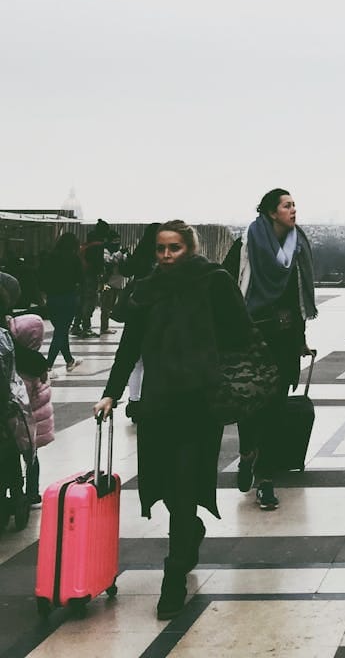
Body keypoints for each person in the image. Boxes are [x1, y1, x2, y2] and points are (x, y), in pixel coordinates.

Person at [94, 220, 252, 620]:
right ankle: (190, 534)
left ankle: (174, 574)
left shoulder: (213, 282)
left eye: (175, 248)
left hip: (199, 404)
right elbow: (129, 346)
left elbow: (240, 335)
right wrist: (111, 392)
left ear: (191, 248)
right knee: (165, 483)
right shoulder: (148, 289)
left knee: (183, 487)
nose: (166, 256)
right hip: (159, 403)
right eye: (161, 249)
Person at [235, 189, 317, 511]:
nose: (294, 209)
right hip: (252, 336)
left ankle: (265, 478)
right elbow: (233, 287)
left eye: (294, 204)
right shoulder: (247, 242)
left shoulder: (298, 246)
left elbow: (297, 299)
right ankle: (246, 454)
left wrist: (300, 338)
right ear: (272, 212)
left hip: (283, 338)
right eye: (287, 205)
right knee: (249, 405)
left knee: (274, 408)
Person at [7, 310, 53, 504]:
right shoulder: (37, 364)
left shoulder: (22, 369)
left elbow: (20, 398)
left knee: (18, 456)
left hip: (23, 423)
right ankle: (33, 491)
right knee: (32, 458)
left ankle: (24, 492)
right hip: (36, 422)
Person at [118, 223, 162, 421]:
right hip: (156, 312)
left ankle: (134, 401)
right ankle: (150, 400)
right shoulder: (161, 258)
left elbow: (126, 270)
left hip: (136, 311)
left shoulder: (141, 254)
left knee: (135, 361)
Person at [39, 232, 83, 373]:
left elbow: (41, 278)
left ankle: (69, 361)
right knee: (61, 331)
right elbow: (80, 279)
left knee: (61, 331)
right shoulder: (74, 259)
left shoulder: (49, 258)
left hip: (52, 299)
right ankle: (47, 366)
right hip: (68, 298)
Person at [99, 234, 127, 335]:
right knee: (106, 306)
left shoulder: (118, 252)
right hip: (108, 284)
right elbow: (110, 261)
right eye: (114, 241)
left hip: (117, 283)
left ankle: (105, 326)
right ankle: (104, 327)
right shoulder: (105, 251)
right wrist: (120, 253)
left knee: (110, 306)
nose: (116, 243)